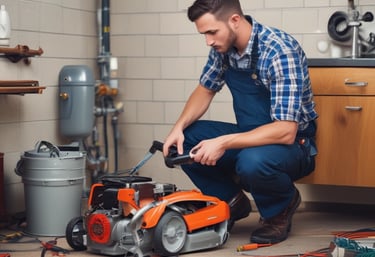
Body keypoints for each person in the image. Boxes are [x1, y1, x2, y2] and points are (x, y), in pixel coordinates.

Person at [163, 0, 318, 244]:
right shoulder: (223, 49)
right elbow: (205, 89)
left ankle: (280, 207)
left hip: (293, 145)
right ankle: (232, 202)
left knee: (252, 161)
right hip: (250, 135)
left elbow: (286, 131)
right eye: (204, 34)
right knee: (183, 143)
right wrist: (177, 129)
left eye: (212, 32)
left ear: (235, 20)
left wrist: (223, 142)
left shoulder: (279, 50)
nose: (209, 41)